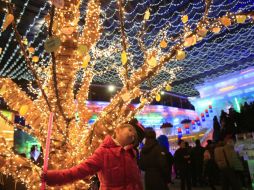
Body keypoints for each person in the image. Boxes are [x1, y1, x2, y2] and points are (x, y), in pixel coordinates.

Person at [43, 123, 145, 190]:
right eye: (130, 130)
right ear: (118, 130)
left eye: (135, 136)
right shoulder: (103, 152)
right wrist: (52, 177)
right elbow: (78, 171)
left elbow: (137, 181)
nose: (133, 135)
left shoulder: (131, 154)